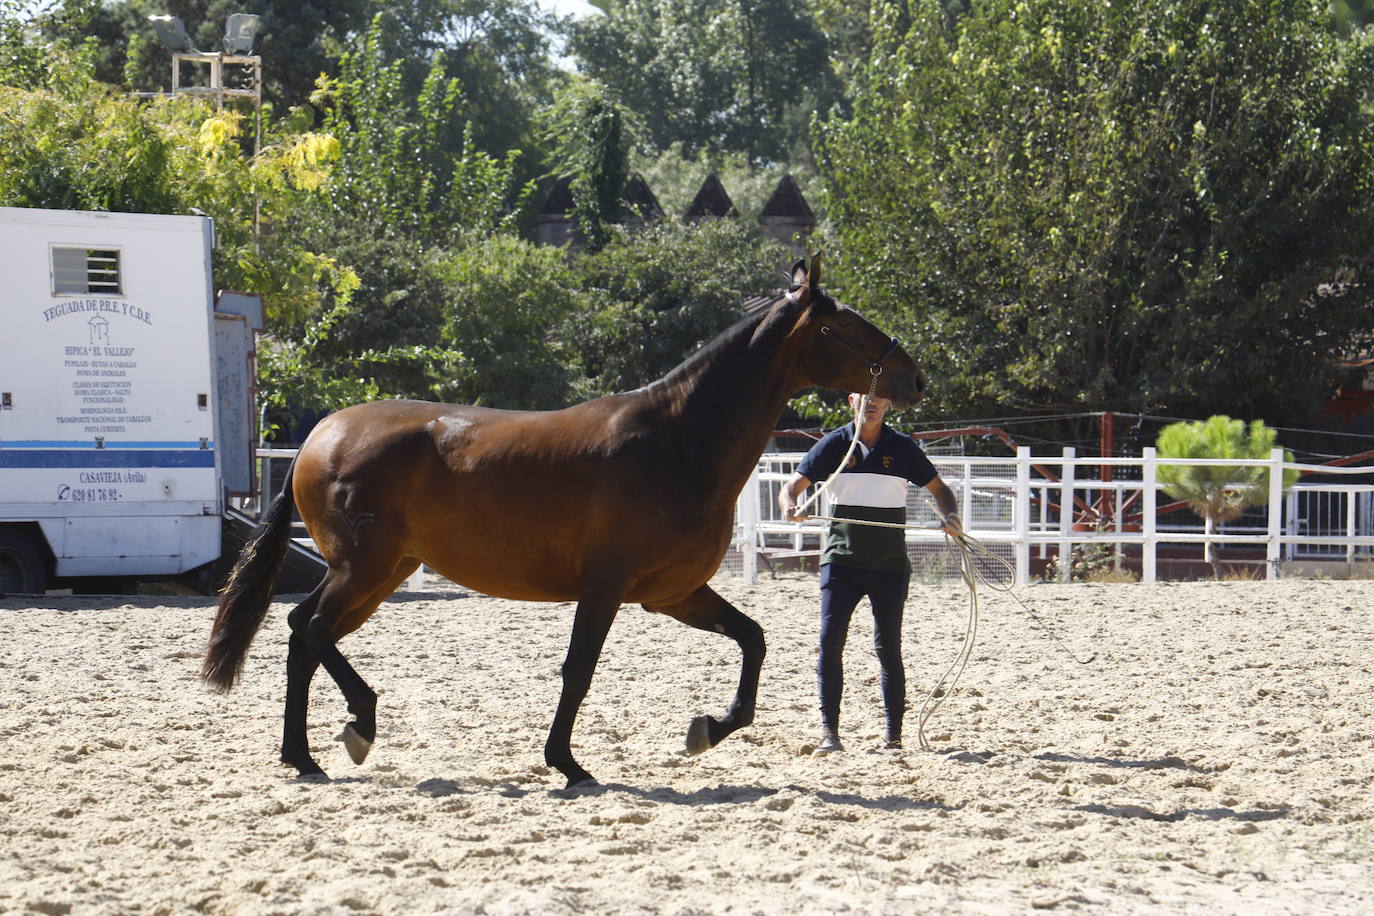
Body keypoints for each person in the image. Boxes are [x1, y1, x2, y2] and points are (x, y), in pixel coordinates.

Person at [778, 393, 961, 752]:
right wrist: (790, 508)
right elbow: (791, 488)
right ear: (852, 400)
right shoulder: (834, 444)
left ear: (890, 403)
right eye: (865, 397)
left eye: (879, 397)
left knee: (888, 648)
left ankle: (893, 739)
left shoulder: (902, 447)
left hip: (889, 565)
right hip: (841, 562)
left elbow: (941, 490)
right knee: (830, 645)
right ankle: (830, 735)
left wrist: (951, 518)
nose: (872, 403)